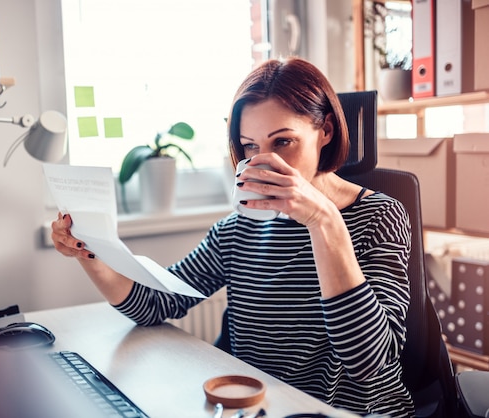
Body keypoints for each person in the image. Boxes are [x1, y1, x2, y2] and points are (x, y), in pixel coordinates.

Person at [51, 57, 415, 417]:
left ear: (327, 132)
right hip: (260, 407)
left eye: (283, 141)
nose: (263, 161)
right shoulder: (238, 228)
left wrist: (323, 220)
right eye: (250, 146)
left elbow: (370, 362)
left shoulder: (380, 217)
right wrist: (88, 248)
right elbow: (155, 304)